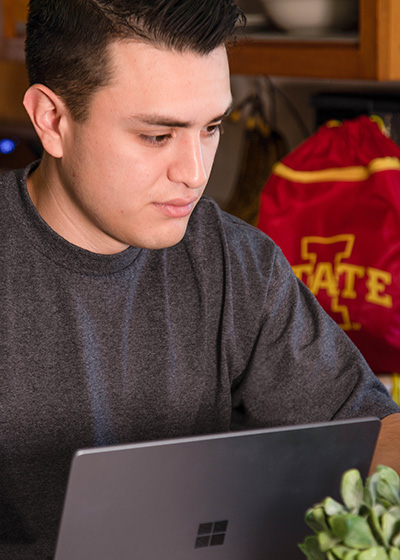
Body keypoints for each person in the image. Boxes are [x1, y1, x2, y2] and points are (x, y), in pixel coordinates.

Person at [1, 0, 399, 558]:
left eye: (211, 127)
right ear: (52, 120)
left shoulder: (238, 264)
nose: (194, 173)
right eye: (157, 137)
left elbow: (370, 435)